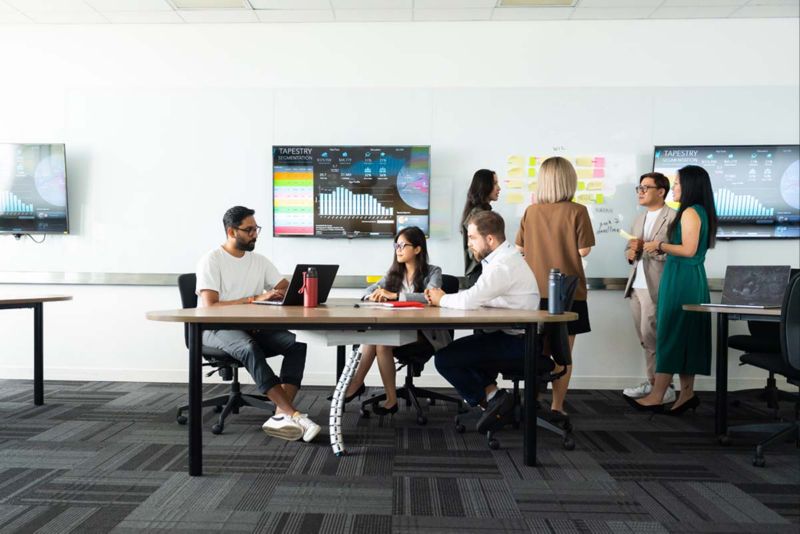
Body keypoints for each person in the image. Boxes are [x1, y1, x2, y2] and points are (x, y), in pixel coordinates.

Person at [195, 206, 321, 443]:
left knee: (297, 345)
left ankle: (279, 414)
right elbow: (210, 305)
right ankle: (292, 413)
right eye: (249, 230)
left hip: (251, 326)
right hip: (214, 328)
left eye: (256, 229)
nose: (255, 234)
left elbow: (283, 286)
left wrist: (284, 292)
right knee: (249, 348)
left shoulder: (259, 261)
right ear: (232, 232)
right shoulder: (212, 260)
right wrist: (255, 299)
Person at [426, 211, 539, 433]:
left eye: (472, 237)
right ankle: (495, 399)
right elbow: (479, 295)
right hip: (510, 334)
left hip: (517, 341)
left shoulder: (502, 266)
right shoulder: (500, 259)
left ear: (489, 239)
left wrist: (441, 299)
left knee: (445, 358)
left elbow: (470, 299)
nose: (469, 244)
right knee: (462, 351)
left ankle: (495, 399)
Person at [627, 165, 718, 414]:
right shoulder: (699, 211)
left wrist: (660, 245)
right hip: (689, 276)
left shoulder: (689, 212)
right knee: (684, 335)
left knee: (670, 335)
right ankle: (686, 394)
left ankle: (657, 395)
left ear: (690, 186)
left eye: (677, 183)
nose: (674, 188)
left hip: (681, 277)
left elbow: (688, 249)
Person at [515, 156, 594, 417]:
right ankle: (557, 406)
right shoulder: (577, 211)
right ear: (569, 180)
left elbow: (519, 249)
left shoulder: (531, 211)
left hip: (535, 292)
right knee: (563, 354)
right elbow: (584, 251)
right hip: (568, 293)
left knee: (538, 350)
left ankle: (533, 400)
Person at [341, 226, 450, 415]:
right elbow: (366, 291)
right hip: (399, 331)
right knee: (375, 339)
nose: (398, 249)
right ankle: (377, 393)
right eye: (396, 245)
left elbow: (431, 296)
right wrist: (373, 296)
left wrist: (395, 296)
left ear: (417, 249)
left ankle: (365, 387)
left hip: (425, 335)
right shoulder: (394, 274)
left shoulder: (433, 272)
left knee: (381, 343)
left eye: (403, 245)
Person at [622, 172, 677, 402]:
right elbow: (629, 250)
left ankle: (664, 388)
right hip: (636, 285)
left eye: (646, 187)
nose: (641, 192)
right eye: (639, 188)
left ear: (661, 191)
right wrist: (631, 252)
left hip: (658, 285)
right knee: (645, 338)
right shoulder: (639, 218)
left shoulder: (674, 218)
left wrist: (655, 249)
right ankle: (654, 383)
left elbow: (679, 254)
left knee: (653, 336)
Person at [461, 169, 500, 288]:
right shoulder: (478, 215)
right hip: (480, 274)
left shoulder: (480, 212)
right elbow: (476, 253)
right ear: (484, 186)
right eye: (495, 183)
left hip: (481, 273)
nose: (499, 188)